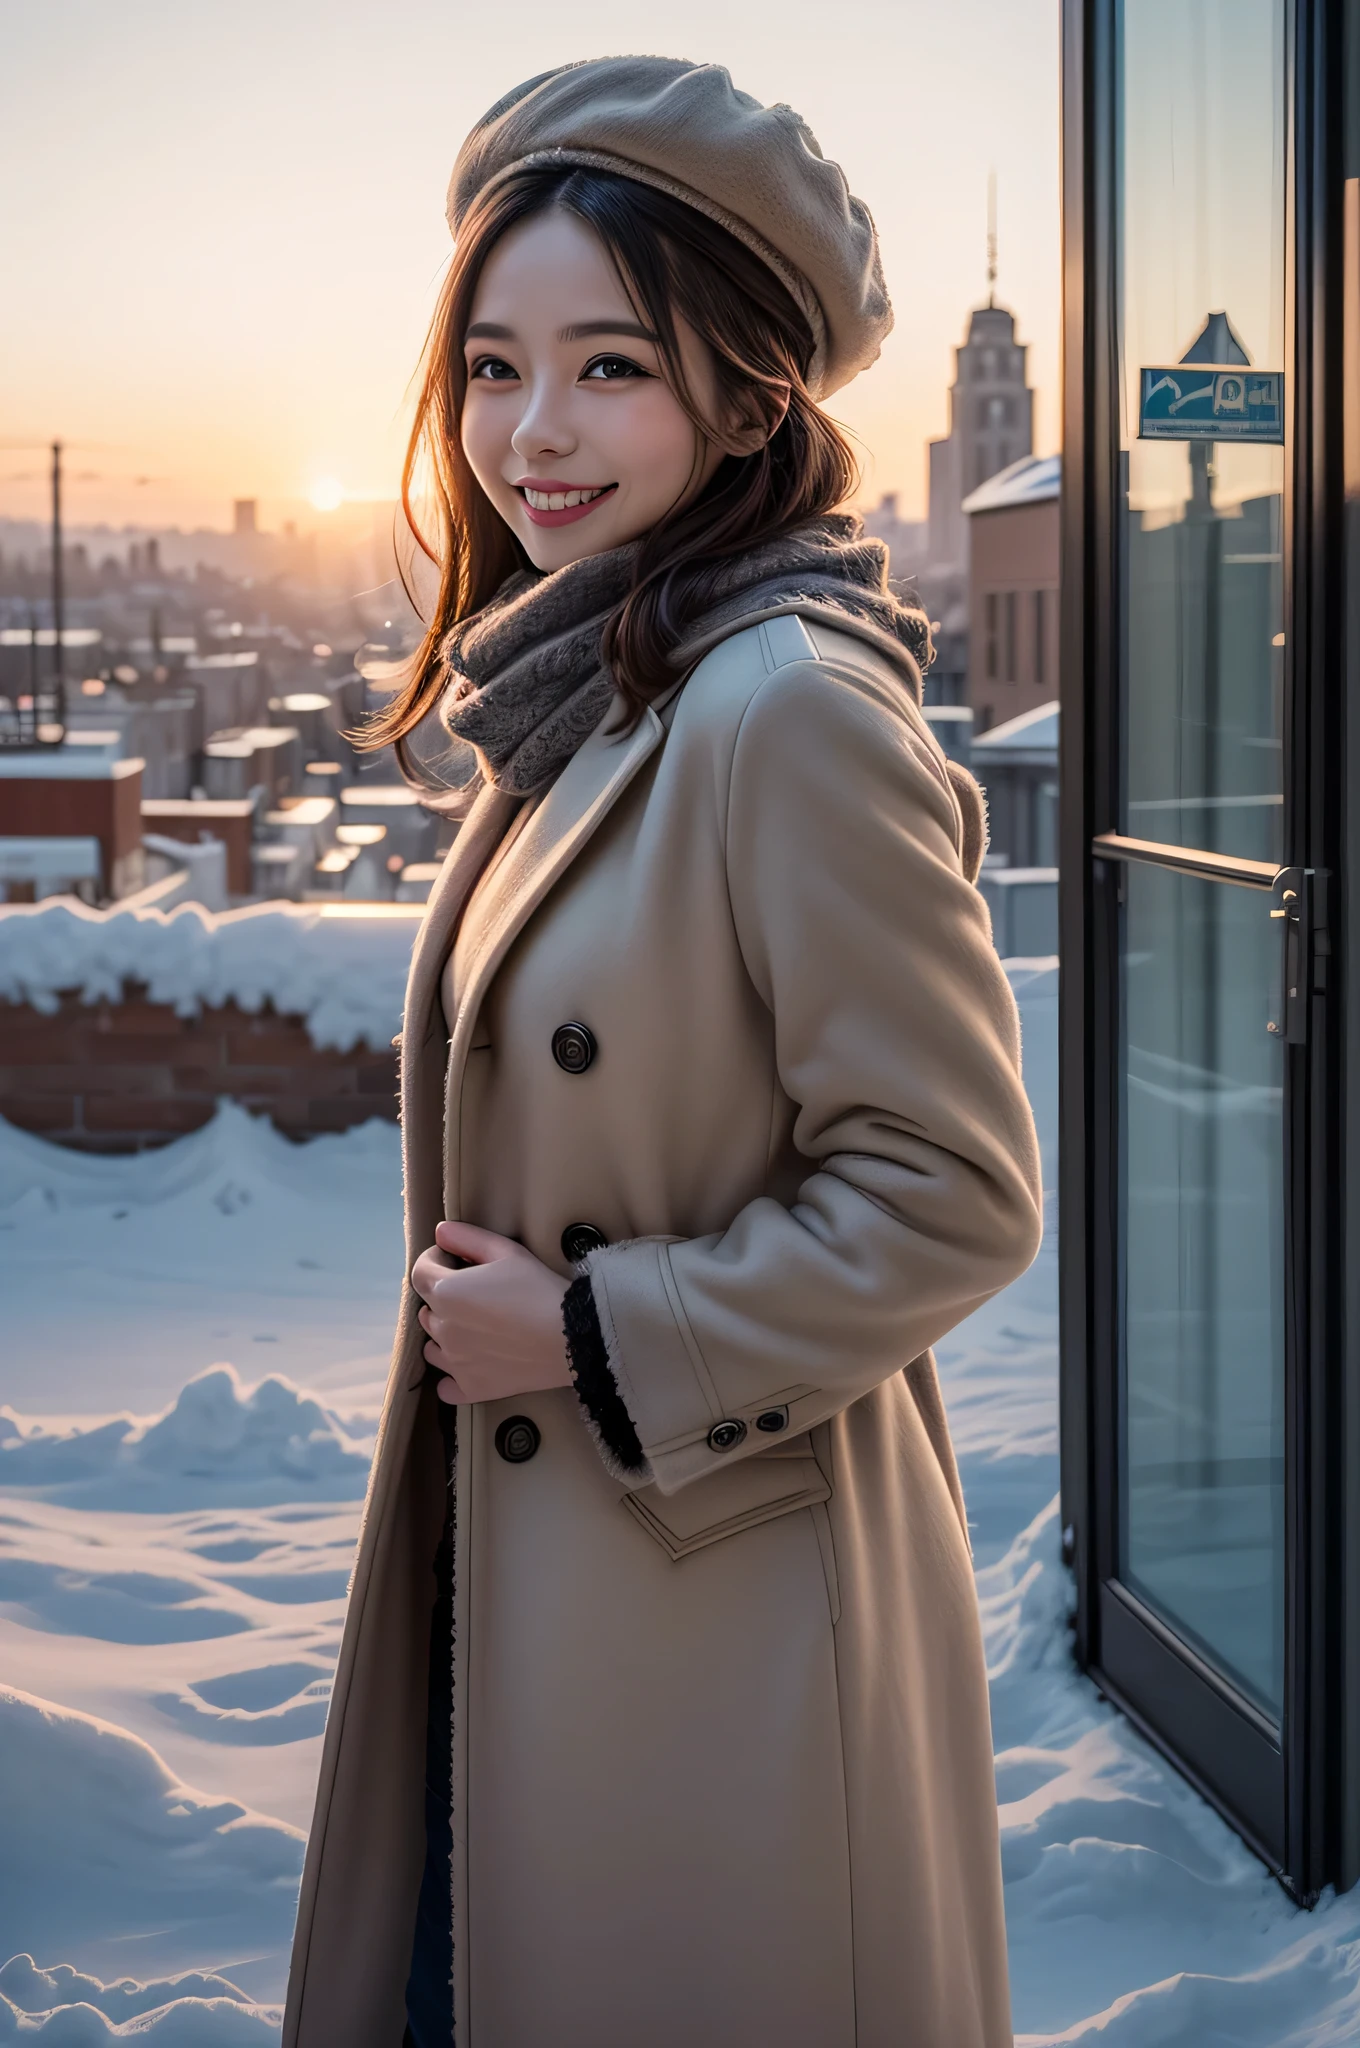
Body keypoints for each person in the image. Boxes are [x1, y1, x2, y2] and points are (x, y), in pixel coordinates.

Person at [283, 56, 1042, 2048]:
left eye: (609, 366)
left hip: (718, 1636)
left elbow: (953, 1197)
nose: (529, 433)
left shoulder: (785, 708)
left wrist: (595, 1335)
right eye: (490, 365)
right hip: (555, 1606)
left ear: (744, 396)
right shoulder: (598, 683)